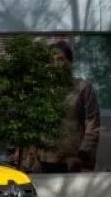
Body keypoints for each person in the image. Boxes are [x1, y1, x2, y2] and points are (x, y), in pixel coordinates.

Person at [38, 40, 101, 172]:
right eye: (51, 61)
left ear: (70, 63)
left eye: (60, 59)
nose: (56, 65)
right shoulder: (43, 90)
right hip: (45, 160)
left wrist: (82, 155)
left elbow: (93, 126)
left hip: (72, 161)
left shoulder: (83, 88)